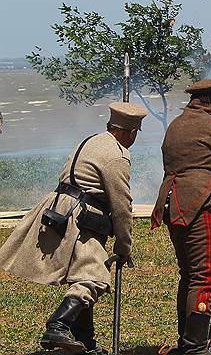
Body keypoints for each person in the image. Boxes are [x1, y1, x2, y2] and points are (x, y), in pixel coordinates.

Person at [0, 102, 147, 354]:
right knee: (94, 278)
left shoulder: (90, 141)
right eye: (135, 133)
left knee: (82, 275)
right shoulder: (117, 155)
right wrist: (124, 246)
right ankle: (57, 326)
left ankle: (86, 344)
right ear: (129, 132)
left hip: (62, 207)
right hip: (83, 215)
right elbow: (122, 205)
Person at [151, 79, 211, 355]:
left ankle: (187, 341)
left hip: (171, 201)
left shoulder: (176, 125)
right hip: (199, 203)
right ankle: (195, 347)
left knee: (189, 274)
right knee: (204, 277)